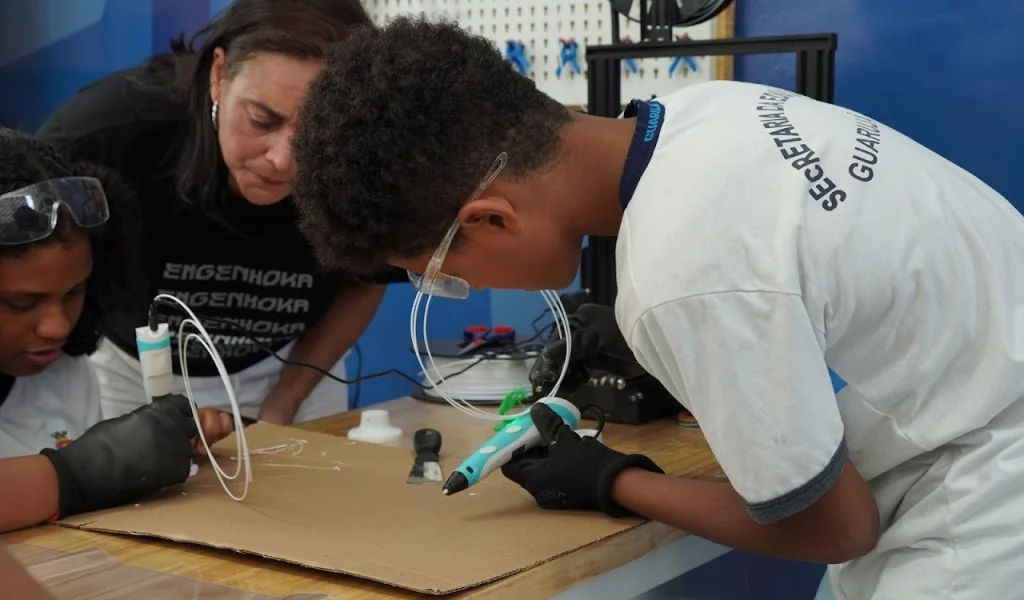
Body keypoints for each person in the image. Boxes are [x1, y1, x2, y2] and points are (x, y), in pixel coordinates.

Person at [289, 17, 1024, 600]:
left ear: (491, 219)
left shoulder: (681, 271)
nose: (466, 289)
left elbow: (836, 529)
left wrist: (611, 480)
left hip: (995, 487)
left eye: (443, 274)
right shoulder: (705, 111)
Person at [35, 0, 403, 426]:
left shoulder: (367, 152)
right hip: (129, 368)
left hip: (292, 365)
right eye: (262, 120)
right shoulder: (108, 133)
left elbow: (363, 282)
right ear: (217, 76)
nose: (282, 161)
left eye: (317, 136)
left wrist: (285, 401)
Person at [0, 128, 234, 533]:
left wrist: (153, 455)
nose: (57, 327)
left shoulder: (65, 375)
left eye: (75, 292)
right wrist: (90, 471)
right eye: (22, 303)